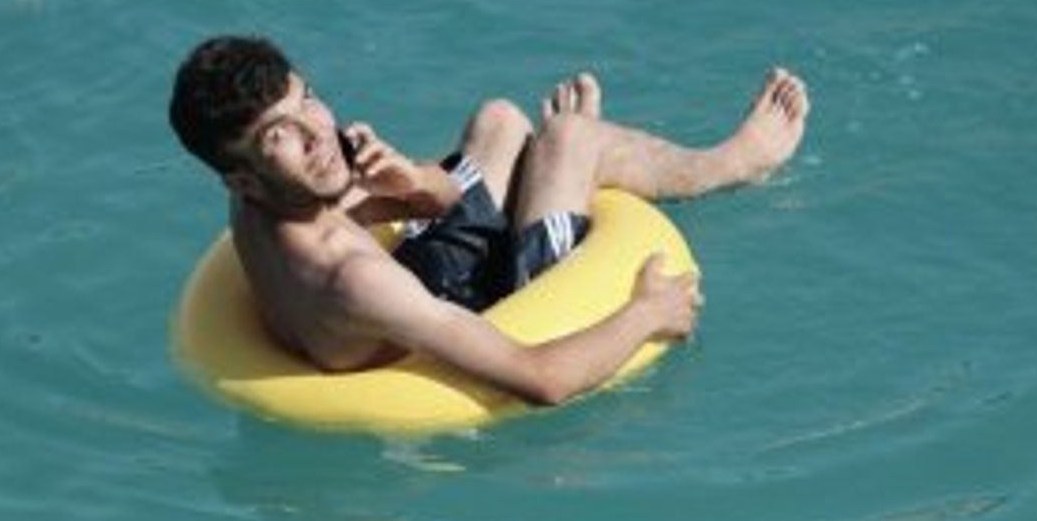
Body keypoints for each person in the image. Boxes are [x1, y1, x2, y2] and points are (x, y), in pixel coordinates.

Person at [168, 35, 809, 406]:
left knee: (499, 120)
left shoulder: (259, 201)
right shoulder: (351, 279)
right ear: (241, 177)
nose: (316, 133)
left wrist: (409, 183)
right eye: (279, 133)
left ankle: (555, 170)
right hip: (483, 306)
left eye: (306, 99)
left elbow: (441, 201)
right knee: (571, 139)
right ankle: (732, 163)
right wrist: (650, 313)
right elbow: (543, 381)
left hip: (421, 282)